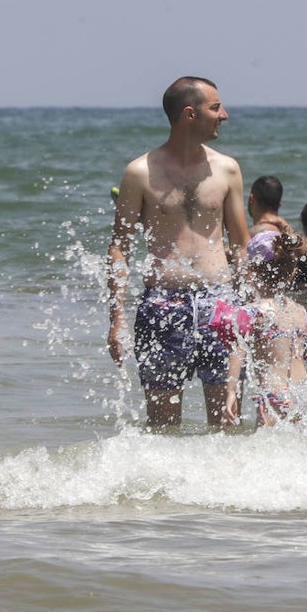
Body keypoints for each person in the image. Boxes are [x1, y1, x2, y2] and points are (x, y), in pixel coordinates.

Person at [106, 76, 250, 428]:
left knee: (227, 425)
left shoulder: (227, 169)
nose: (224, 115)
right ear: (189, 114)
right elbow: (120, 248)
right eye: (215, 107)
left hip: (220, 305)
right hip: (162, 307)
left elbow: (241, 245)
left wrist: (249, 307)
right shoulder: (139, 173)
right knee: (163, 429)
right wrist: (116, 320)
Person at [221, 229, 307, 427]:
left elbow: (238, 350)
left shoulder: (253, 312)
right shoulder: (301, 312)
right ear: (293, 271)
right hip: (305, 393)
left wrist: (231, 392)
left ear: (252, 271)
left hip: (276, 395)